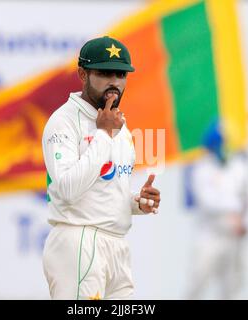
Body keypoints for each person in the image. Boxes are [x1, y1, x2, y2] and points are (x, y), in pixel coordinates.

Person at [41, 36, 161, 300]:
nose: (114, 82)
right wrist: (104, 134)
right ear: (82, 74)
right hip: (80, 241)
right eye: (104, 73)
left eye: (120, 74)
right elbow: (67, 190)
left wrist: (137, 203)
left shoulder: (118, 124)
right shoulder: (63, 122)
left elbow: (102, 189)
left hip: (116, 243)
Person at [186, 121, 248, 300]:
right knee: (197, 282)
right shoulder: (202, 168)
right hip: (210, 235)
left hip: (234, 237)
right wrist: (235, 208)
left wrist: (245, 224)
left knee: (232, 288)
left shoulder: (239, 166)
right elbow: (208, 202)